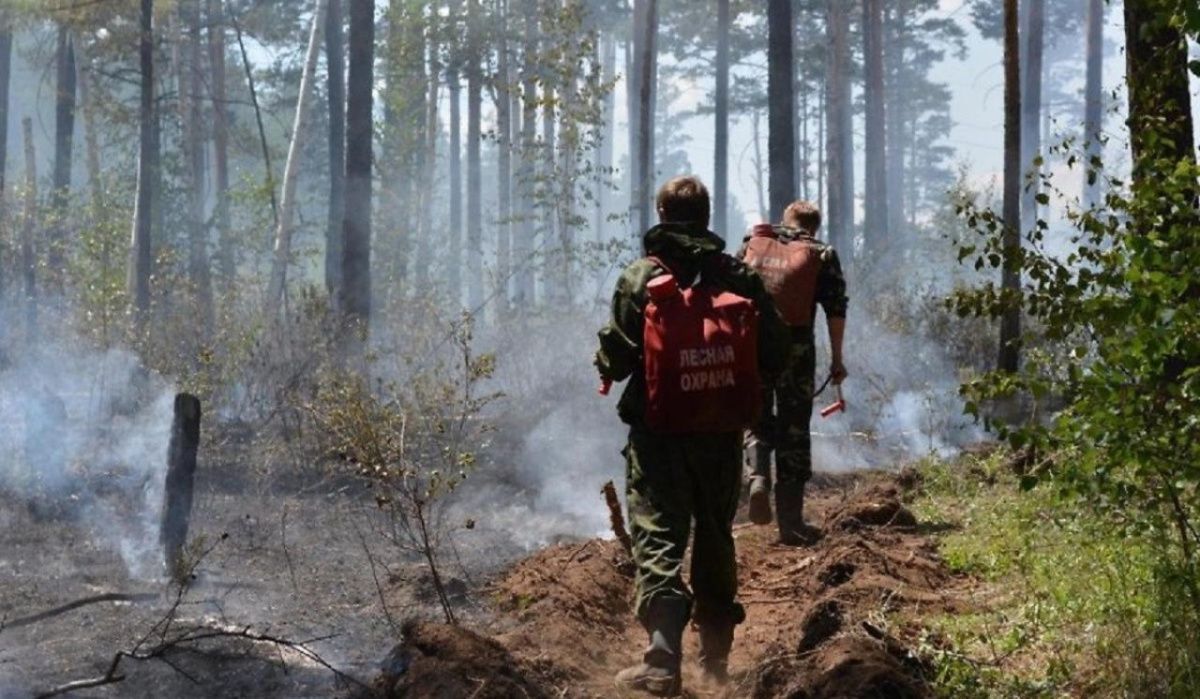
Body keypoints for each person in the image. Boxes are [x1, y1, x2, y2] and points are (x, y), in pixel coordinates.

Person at [595, 176, 789, 695]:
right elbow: (776, 350)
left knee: (658, 533)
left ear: (662, 215)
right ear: (705, 216)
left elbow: (616, 359)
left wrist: (609, 362)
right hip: (721, 431)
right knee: (715, 534)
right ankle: (716, 661)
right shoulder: (737, 274)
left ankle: (662, 658)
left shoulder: (641, 277)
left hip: (658, 434)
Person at [738, 201, 848, 545]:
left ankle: (757, 478)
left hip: (753, 350)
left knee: (756, 420)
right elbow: (836, 308)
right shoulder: (821, 254)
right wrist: (837, 360)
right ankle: (791, 523)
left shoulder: (752, 245)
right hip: (796, 353)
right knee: (794, 429)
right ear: (813, 228)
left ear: (785, 221)